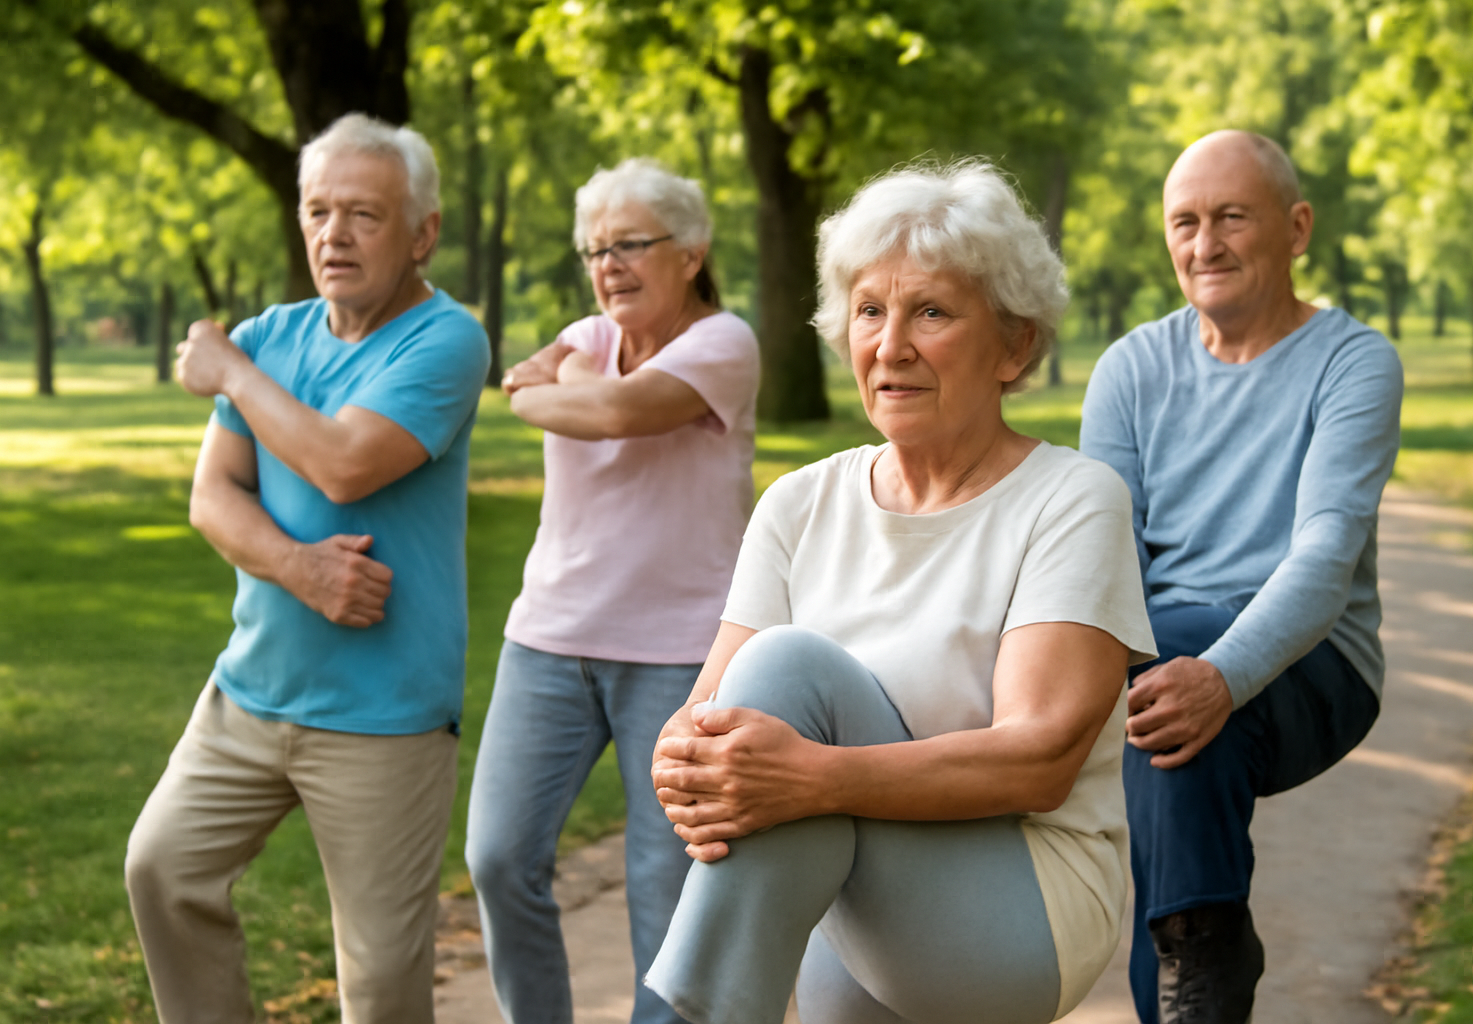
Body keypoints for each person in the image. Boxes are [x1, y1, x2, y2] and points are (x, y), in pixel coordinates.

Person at [642, 160, 1158, 1024]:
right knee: (767, 692)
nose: (890, 346)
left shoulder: (1072, 499)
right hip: (844, 888)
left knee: (788, 667)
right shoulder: (798, 505)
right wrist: (686, 763)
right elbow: (710, 727)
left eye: (932, 312)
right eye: (870, 312)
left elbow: (1039, 760)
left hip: (1020, 904)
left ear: (1015, 344)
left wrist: (813, 779)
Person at [123, 113, 489, 1024]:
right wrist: (301, 569)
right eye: (318, 211)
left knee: (379, 986)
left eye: (364, 214)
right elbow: (214, 498)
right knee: (161, 871)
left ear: (422, 233)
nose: (334, 234)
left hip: (384, 719)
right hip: (249, 694)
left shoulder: (445, 342)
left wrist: (230, 374)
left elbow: (343, 462)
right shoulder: (272, 335)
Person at [1079, 130, 1404, 1024]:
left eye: (1231, 217)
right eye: (1184, 221)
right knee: (1170, 736)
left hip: (1315, 665)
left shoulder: (1353, 362)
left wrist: (1218, 675)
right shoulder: (1131, 369)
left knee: (1166, 683)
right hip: (1167, 663)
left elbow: (1325, 558)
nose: (1204, 244)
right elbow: (1104, 561)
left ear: (1296, 228)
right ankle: (1206, 957)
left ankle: (1203, 958)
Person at [464, 158, 759, 1024]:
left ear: (693, 252)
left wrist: (548, 382)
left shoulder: (724, 343)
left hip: (677, 655)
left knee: (663, 888)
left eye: (631, 244)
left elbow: (620, 413)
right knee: (497, 856)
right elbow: (532, 392)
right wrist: (550, 380)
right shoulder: (588, 339)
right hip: (547, 642)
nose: (608, 266)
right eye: (595, 250)